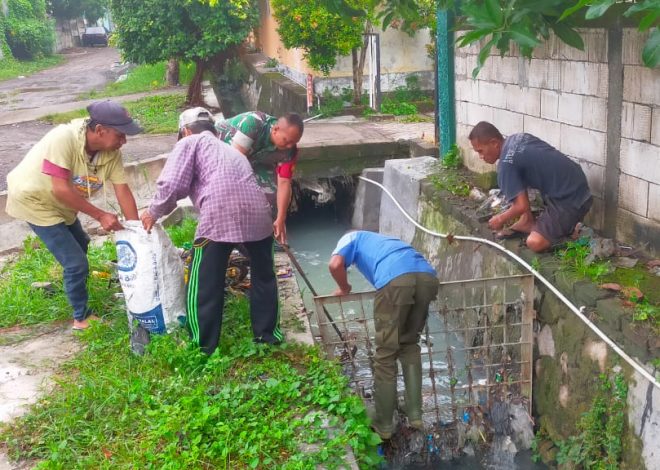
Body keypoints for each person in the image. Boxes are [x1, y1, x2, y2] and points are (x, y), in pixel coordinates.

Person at [141, 108, 283, 354]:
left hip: (221, 214)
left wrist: (152, 212)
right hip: (259, 214)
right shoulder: (230, 149)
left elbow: (173, 184)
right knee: (264, 276)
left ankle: (203, 346)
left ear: (185, 130)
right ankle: (267, 336)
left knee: (204, 280)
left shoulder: (190, 142)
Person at [6, 100, 142, 330]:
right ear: (100, 130)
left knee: (82, 243)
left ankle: (71, 286)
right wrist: (100, 215)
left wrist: (138, 232)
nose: (124, 141)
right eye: (120, 135)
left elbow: (123, 191)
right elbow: (60, 188)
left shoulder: (110, 153)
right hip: (35, 200)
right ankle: (81, 317)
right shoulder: (64, 138)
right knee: (76, 263)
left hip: (61, 204)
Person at [328, 230, 438, 439]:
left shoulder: (350, 237)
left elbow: (335, 264)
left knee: (386, 353)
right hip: (427, 277)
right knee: (409, 344)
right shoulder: (386, 240)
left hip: (396, 278)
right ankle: (415, 413)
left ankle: (384, 424)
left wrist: (344, 287)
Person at [469, 121, 593, 253]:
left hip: (571, 199)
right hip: (576, 180)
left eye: (481, 151)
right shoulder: (518, 138)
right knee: (515, 183)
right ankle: (526, 220)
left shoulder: (506, 166)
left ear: (494, 143)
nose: (480, 157)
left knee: (534, 242)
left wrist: (500, 219)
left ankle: (572, 238)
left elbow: (521, 206)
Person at [215, 111, 304, 245]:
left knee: (271, 193)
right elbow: (234, 166)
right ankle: (231, 233)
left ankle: (267, 237)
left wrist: (281, 218)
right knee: (240, 195)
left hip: (256, 159)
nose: (289, 146)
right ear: (275, 129)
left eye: (294, 142)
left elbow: (284, 183)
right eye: (287, 141)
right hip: (224, 153)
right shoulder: (253, 124)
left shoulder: (290, 151)